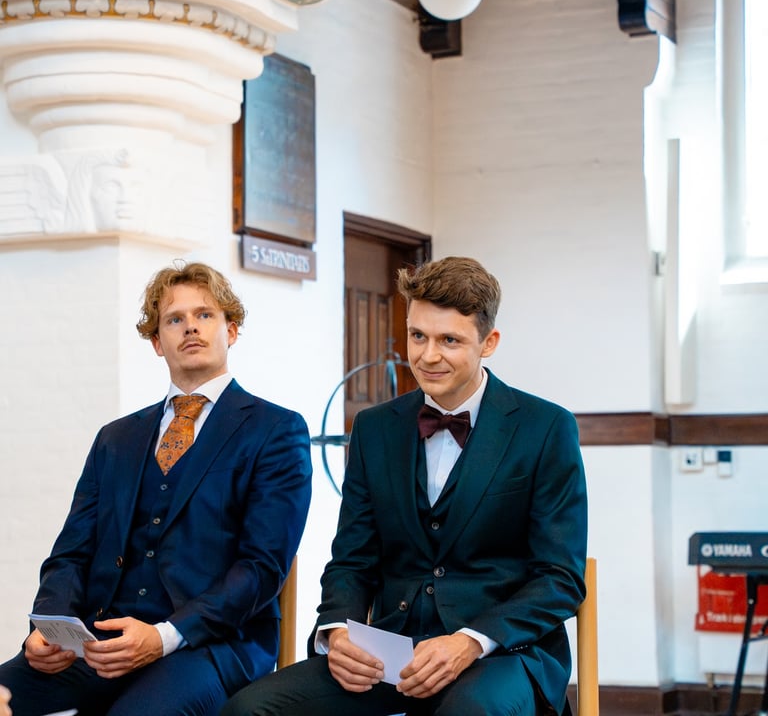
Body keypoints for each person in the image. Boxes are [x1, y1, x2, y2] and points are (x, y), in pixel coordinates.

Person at [221, 255, 587, 716]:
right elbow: (352, 559)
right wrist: (338, 631)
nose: (428, 356)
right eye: (418, 336)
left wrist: (470, 641)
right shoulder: (374, 428)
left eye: (449, 340)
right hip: (392, 654)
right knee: (250, 709)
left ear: (489, 342)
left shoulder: (546, 427)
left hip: (500, 656)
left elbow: (559, 578)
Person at [0, 261, 312, 716]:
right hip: (101, 641)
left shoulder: (276, 430)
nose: (191, 327)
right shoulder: (115, 438)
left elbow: (261, 568)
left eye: (204, 314)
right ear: (156, 342)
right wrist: (52, 626)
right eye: (174, 319)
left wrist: (164, 636)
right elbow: (71, 554)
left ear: (231, 330)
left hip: (209, 647)